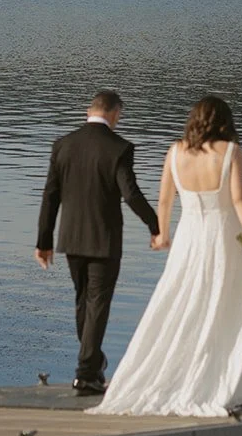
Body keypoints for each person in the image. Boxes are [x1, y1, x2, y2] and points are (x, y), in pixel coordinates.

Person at [89, 95, 242, 417]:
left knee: (179, 300)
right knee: (223, 305)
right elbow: (240, 201)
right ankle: (220, 379)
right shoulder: (230, 152)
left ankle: (170, 373)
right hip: (224, 239)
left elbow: (164, 200)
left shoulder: (175, 152)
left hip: (188, 238)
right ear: (225, 122)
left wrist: (163, 235)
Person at [36, 90, 162, 396]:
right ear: (116, 113)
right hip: (104, 240)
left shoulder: (63, 145)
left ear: (88, 110)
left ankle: (91, 364)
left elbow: (50, 195)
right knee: (97, 304)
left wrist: (44, 241)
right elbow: (130, 194)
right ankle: (86, 373)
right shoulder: (119, 148)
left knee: (84, 301)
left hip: (71, 239)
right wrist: (155, 225)